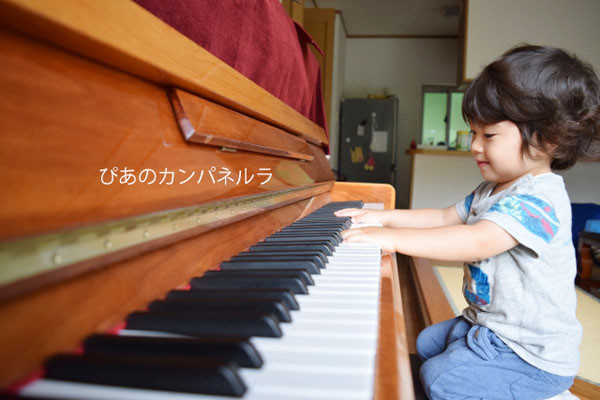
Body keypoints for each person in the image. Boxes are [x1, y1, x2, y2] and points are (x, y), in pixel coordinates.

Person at [336, 44, 600, 399]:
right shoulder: (492, 189)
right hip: (487, 326)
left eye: (488, 135)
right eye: (473, 132)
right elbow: (443, 216)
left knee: (439, 378)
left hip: (528, 354)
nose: (474, 146)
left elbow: (476, 240)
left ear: (547, 139)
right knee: (426, 342)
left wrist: (390, 239)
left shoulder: (540, 199)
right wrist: (382, 216)